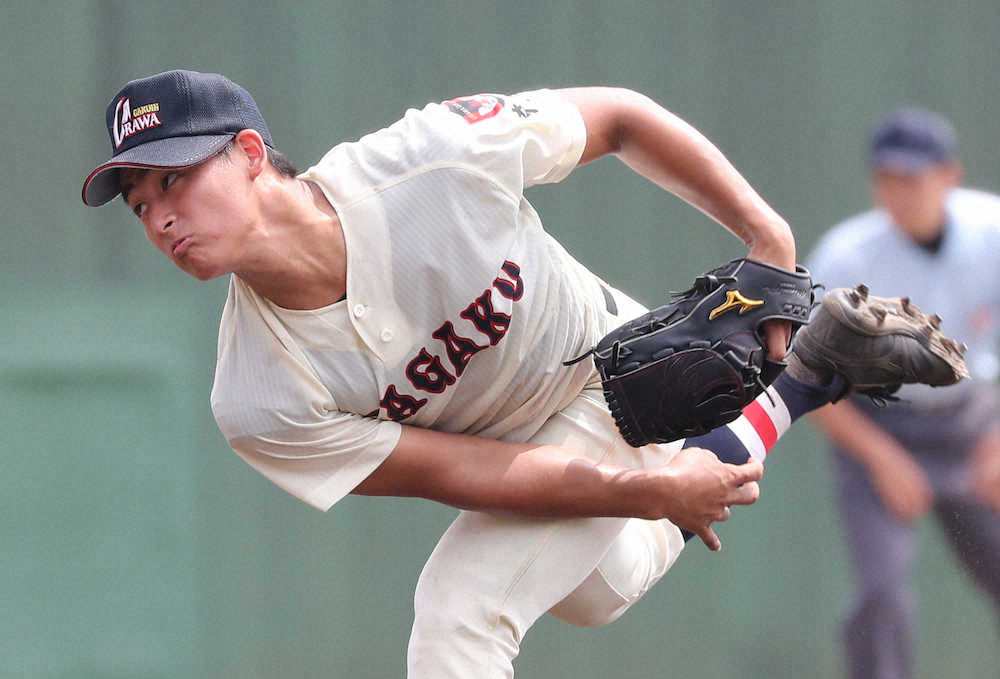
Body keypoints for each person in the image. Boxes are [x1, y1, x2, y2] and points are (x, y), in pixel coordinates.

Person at [81, 70, 961, 678]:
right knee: (596, 591)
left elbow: (618, 118)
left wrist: (768, 241)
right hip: (514, 458)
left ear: (246, 151)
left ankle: (791, 380)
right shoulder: (256, 395)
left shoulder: (424, 161)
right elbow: (465, 473)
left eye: (173, 178)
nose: (160, 217)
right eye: (141, 203)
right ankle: (802, 379)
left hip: (612, 376)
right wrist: (648, 495)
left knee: (461, 603)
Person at [806, 108, 1000, 679]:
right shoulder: (847, 257)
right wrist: (883, 459)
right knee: (882, 595)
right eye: (888, 177)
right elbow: (809, 377)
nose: (901, 191)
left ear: (949, 176)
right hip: (878, 425)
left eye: (914, 176)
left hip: (972, 426)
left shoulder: (993, 233)